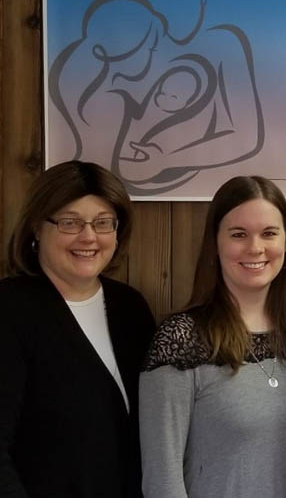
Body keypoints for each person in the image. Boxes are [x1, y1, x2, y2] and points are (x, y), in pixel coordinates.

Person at [139, 176, 286, 497]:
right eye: (239, 234)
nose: (255, 248)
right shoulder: (181, 339)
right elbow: (161, 480)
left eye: (269, 233)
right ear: (215, 243)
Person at [0, 160, 156, 497]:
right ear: (37, 228)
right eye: (70, 222)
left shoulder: (131, 308)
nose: (88, 236)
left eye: (102, 223)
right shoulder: (9, 310)